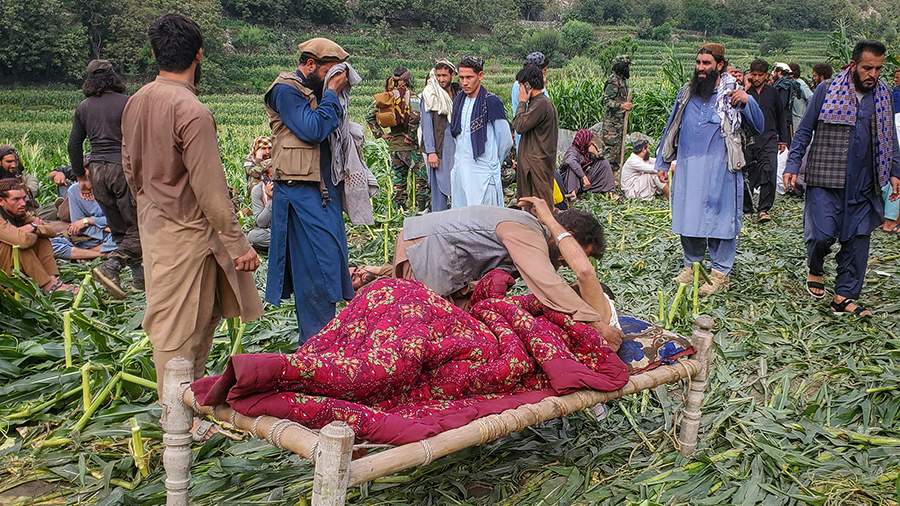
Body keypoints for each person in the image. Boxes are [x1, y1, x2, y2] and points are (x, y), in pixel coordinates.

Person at [121, 14, 263, 410]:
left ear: (155, 53)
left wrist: (152, 207)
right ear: (199, 54)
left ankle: (188, 405)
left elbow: (129, 169)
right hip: (188, 234)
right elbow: (211, 191)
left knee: (199, 320)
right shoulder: (192, 111)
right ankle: (175, 419)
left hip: (156, 227)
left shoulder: (136, 101)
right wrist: (238, 245)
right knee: (180, 330)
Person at [390, 198, 623, 348]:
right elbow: (547, 283)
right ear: (566, 235)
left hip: (424, 247)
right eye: (571, 254)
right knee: (429, 333)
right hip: (423, 251)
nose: (565, 263)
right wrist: (596, 325)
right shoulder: (529, 232)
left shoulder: (530, 229)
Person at [784, 40, 900, 317]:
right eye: (867, 68)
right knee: (821, 235)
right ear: (853, 65)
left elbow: (890, 140)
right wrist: (792, 164)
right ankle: (815, 267)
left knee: (858, 240)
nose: (873, 74)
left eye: (878, 69)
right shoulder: (827, 91)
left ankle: (844, 296)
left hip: (865, 182)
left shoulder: (882, 96)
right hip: (826, 179)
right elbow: (804, 131)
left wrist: (895, 172)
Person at [263, 37, 353, 344]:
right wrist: (330, 94)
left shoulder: (313, 91)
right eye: (330, 70)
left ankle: (323, 341)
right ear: (310, 64)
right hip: (299, 195)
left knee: (328, 265)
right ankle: (315, 347)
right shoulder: (286, 90)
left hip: (321, 193)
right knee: (313, 272)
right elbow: (312, 129)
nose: (336, 78)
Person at [656, 43, 764, 296]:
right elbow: (671, 125)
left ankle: (719, 272)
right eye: (698, 63)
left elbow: (759, 126)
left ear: (720, 65)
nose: (701, 68)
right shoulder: (687, 93)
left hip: (722, 169)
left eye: (706, 63)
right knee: (688, 217)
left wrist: (748, 102)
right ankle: (692, 265)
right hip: (689, 167)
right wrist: (662, 161)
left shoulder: (734, 94)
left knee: (721, 220)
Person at [67, 59, 142, 299]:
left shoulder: (84, 107)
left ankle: (140, 280)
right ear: (114, 77)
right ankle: (112, 266)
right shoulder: (127, 103)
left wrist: (81, 176)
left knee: (121, 229)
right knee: (140, 227)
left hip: (97, 170)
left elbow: (74, 144)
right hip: (122, 168)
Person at [450, 56, 512, 208]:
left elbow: (506, 141)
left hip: (483, 172)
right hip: (461, 169)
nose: (464, 82)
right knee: (461, 217)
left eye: (469, 77)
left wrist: (492, 163)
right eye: (461, 77)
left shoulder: (492, 102)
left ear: (481, 76)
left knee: (484, 220)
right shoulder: (458, 100)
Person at [0, 180, 75, 294]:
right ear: (1, 201)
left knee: (42, 239)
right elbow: (23, 241)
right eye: (16, 199)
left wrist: (33, 228)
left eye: (23, 198)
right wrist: (34, 227)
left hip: (15, 265)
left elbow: (51, 231)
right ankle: (47, 285)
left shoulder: (20, 212)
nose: (23, 203)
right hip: (3, 272)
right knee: (18, 246)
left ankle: (52, 280)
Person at [367, 66, 424, 210]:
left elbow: (369, 115)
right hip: (411, 147)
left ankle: (399, 212)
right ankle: (421, 210)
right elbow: (415, 118)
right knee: (421, 181)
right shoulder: (413, 97)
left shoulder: (386, 97)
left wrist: (381, 134)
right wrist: (411, 136)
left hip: (394, 145)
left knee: (398, 182)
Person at [742, 59, 790, 222]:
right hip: (749, 139)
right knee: (747, 173)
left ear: (767, 75)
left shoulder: (773, 92)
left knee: (769, 170)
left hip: (769, 137)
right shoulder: (745, 93)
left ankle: (763, 209)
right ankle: (746, 208)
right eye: (753, 75)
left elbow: (781, 116)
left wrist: (783, 139)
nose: (756, 78)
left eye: (760, 75)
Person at [512, 64, 559, 208]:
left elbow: (519, 125)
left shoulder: (541, 104)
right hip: (534, 164)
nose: (519, 90)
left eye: (520, 86)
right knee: (531, 206)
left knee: (540, 206)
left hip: (537, 165)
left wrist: (521, 102)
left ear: (528, 86)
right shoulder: (537, 103)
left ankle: (546, 230)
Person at [419, 59, 460, 212]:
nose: (441, 79)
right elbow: (426, 124)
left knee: (457, 184)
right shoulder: (430, 94)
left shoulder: (458, 92)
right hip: (439, 147)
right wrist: (431, 152)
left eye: (445, 75)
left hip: (456, 145)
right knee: (439, 186)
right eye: (439, 75)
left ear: (452, 75)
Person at [50, 177, 116, 261]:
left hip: (112, 236)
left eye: (86, 180)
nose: (83, 185)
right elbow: (78, 225)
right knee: (51, 246)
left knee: (127, 238)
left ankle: (84, 255)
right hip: (85, 239)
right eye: (80, 180)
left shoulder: (110, 187)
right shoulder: (74, 190)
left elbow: (119, 220)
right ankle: (99, 254)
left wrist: (90, 220)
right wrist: (103, 228)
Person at [559, 129, 615, 196]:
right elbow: (571, 161)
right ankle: (572, 194)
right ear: (584, 140)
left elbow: (596, 161)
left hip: (583, 182)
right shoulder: (572, 151)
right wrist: (584, 177)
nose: (590, 142)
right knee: (572, 167)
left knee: (603, 163)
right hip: (570, 182)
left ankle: (609, 191)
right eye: (589, 140)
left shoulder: (585, 151)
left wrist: (596, 153)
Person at [601, 56, 633, 174]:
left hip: (619, 123)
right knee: (609, 153)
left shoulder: (622, 80)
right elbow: (606, 101)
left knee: (616, 153)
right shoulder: (613, 81)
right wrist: (621, 106)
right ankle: (604, 178)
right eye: (627, 66)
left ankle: (613, 179)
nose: (628, 69)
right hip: (612, 125)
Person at [511, 52, 550, 147]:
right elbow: (526, 118)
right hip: (529, 145)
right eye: (544, 70)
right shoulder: (523, 86)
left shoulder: (535, 86)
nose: (546, 73)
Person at [0, 145, 39, 210]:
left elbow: (33, 184)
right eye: (9, 161)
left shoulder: (22, 176)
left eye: (15, 161)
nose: (14, 165)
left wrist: (25, 190)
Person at [248, 160, 272, 251]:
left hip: (289, 227)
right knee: (253, 236)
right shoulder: (257, 191)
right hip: (271, 230)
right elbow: (261, 223)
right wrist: (271, 201)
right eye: (271, 177)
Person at [788, 63, 814, 133]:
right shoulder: (792, 83)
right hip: (795, 119)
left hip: (800, 119)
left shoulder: (800, 84)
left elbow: (811, 98)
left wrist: (808, 114)